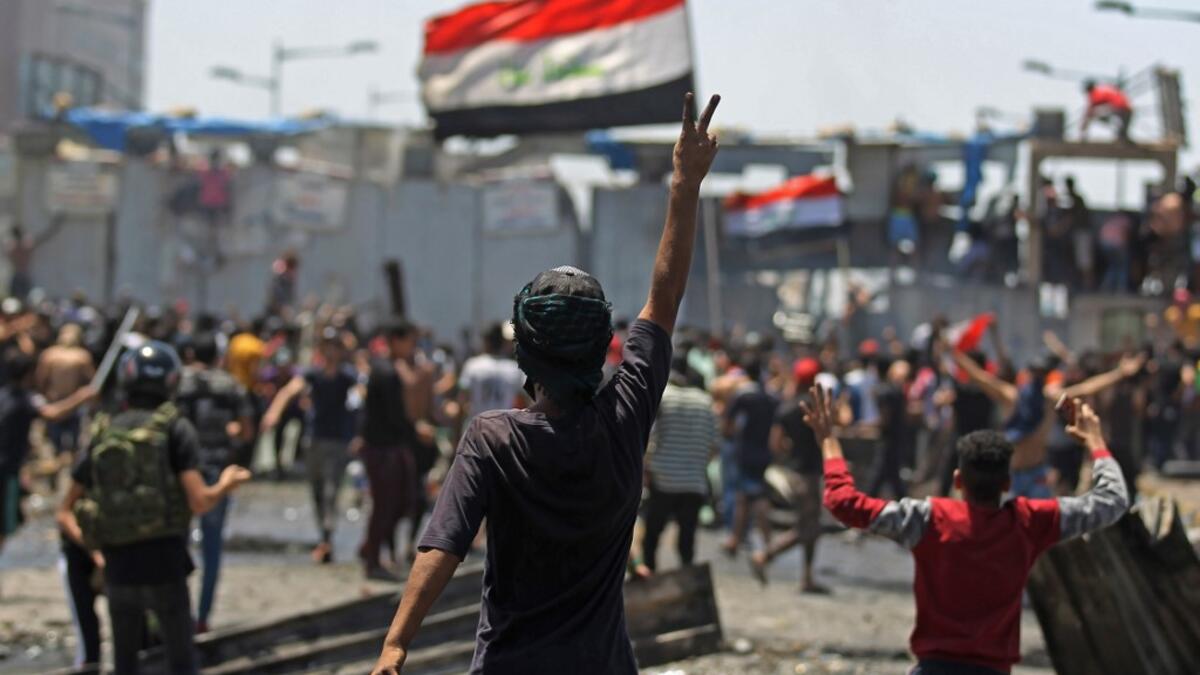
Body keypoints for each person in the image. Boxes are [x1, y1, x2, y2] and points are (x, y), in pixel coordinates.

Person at [370, 91, 721, 675]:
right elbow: (665, 297)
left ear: (525, 355)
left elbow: (444, 546)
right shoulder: (625, 414)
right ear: (597, 347)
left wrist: (397, 643)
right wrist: (685, 184)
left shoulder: (493, 438)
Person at [807, 385, 1128, 675]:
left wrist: (828, 440)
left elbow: (842, 501)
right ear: (1006, 483)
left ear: (958, 480)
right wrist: (1096, 443)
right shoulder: (1029, 523)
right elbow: (1111, 501)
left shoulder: (929, 519)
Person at [57, 342, 252, 675]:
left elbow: (64, 510)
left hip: (118, 565)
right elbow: (199, 501)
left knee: (125, 664)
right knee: (180, 661)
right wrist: (225, 484)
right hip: (166, 563)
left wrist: (97, 553)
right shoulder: (175, 428)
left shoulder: (106, 430)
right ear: (171, 381)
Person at [953, 348, 1143, 498]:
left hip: (1037, 475)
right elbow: (981, 377)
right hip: (1011, 476)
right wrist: (954, 353)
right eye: (1035, 373)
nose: (1037, 379)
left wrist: (1120, 373)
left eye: (1041, 373)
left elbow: (1087, 387)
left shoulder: (1050, 398)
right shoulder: (1013, 397)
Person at [175, 332, 255, 633]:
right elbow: (247, 431)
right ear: (218, 356)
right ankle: (203, 617)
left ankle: (178, 613)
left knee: (177, 545)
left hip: (182, 471)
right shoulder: (231, 385)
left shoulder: (178, 382)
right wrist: (230, 432)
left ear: (191, 354)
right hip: (219, 472)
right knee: (211, 547)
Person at [263, 327, 361, 564]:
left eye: (334, 346)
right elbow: (289, 391)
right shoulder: (312, 374)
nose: (329, 351)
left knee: (331, 491)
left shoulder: (348, 376)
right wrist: (274, 412)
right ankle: (323, 535)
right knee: (317, 491)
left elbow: (361, 393)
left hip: (337, 441)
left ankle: (327, 539)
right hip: (314, 439)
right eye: (325, 345)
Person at [354, 319, 427, 581]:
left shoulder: (388, 369)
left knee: (400, 503)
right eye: (409, 341)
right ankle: (372, 558)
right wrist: (414, 430)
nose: (412, 348)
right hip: (383, 448)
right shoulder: (385, 371)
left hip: (390, 446)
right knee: (385, 506)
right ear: (396, 341)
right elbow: (393, 413)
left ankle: (369, 549)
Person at [751, 358, 833, 592]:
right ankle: (766, 555)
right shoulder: (816, 408)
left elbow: (774, 444)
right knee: (810, 528)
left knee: (809, 526)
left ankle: (806, 576)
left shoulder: (786, 408)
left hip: (792, 472)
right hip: (809, 475)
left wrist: (790, 450)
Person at [1, 352, 95, 553]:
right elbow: (53, 413)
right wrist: (80, 397)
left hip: (9, 466)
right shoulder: (28, 398)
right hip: (6, 469)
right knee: (4, 523)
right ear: (28, 375)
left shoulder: (3, 395)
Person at [641, 355, 719, 572]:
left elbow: (650, 438)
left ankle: (649, 581)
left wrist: (647, 467)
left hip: (663, 480)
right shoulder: (706, 401)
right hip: (694, 483)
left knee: (652, 537)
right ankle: (687, 587)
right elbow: (714, 446)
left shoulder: (664, 398)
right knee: (687, 541)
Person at [720, 357, 778, 557]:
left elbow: (727, 422)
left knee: (746, 495)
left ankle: (739, 538)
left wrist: (728, 436)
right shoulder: (768, 397)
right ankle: (741, 539)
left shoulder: (742, 396)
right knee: (750, 494)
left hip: (744, 450)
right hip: (763, 450)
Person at [35, 323, 96, 481]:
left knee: (56, 444)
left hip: (57, 402)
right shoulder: (82, 356)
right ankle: (66, 473)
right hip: (72, 404)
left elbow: (40, 381)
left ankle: (60, 472)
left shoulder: (49, 354)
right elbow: (91, 382)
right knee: (71, 445)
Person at [458, 323, 525, 421]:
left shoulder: (473, 365)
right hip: (505, 427)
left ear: (486, 341)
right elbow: (523, 401)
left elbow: (462, 400)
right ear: (503, 342)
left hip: (479, 426)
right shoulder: (514, 368)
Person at [870, 359, 916, 499]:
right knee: (891, 477)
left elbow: (885, 419)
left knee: (880, 476)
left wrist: (871, 426)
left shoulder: (886, 392)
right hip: (897, 439)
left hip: (888, 440)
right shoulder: (899, 392)